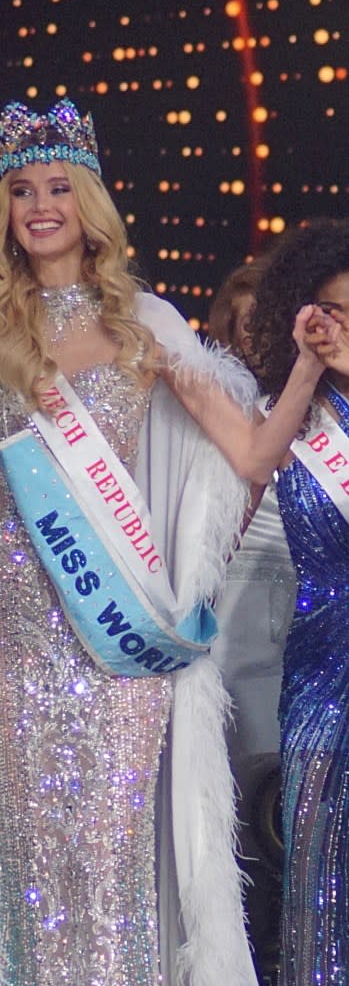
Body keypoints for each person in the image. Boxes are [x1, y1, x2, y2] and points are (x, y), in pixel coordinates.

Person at [0, 65, 337, 986]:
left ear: (89, 204)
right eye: (20, 191)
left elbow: (254, 457)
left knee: (107, 848)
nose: (39, 206)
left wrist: (301, 365)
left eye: (58, 188)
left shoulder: (144, 326)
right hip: (13, 615)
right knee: (30, 859)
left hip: (115, 623)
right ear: (2, 210)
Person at [246, 218, 349, 986]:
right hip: (318, 673)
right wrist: (307, 377)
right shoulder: (286, 419)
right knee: (317, 869)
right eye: (330, 309)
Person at [208, 260, 296, 981]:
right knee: (238, 792)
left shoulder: (322, 403)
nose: (254, 339)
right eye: (241, 326)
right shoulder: (216, 400)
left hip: (307, 607)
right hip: (227, 605)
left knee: (283, 804)